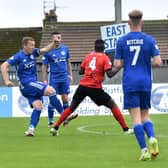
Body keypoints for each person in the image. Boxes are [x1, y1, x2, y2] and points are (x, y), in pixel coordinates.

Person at [50, 39, 133, 136]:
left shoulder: (88, 56)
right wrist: (119, 67)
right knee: (112, 105)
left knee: (71, 108)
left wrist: (89, 70)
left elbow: (81, 71)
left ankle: (55, 128)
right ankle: (126, 129)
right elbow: (109, 74)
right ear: (104, 48)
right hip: (94, 87)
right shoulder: (105, 58)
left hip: (82, 86)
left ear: (94, 47)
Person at [114, 9, 162, 161]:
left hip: (130, 81)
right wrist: (145, 62)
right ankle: (152, 137)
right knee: (145, 115)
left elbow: (117, 63)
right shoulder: (149, 40)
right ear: (141, 21)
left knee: (135, 119)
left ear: (129, 23)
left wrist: (126, 62)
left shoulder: (122, 41)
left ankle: (144, 150)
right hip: (145, 81)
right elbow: (158, 62)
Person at [1, 36, 64, 136]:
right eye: (31, 45)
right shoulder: (18, 56)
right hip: (27, 84)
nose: (33, 47)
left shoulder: (33, 52)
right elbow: (4, 66)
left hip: (32, 85)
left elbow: (46, 49)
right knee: (51, 90)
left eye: (34, 45)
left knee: (38, 106)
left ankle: (30, 130)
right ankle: (65, 115)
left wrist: (53, 42)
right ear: (24, 46)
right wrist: (7, 80)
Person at [42, 32, 78, 127]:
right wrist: (45, 79)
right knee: (52, 99)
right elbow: (44, 66)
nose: (58, 39)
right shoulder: (48, 51)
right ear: (52, 40)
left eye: (59, 37)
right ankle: (51, 121)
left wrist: (70, 75)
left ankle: (65, 121)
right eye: (56, 38)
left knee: (65, 98)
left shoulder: (65, 49)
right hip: (54, 78)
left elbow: (68, 62)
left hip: (64, 78)